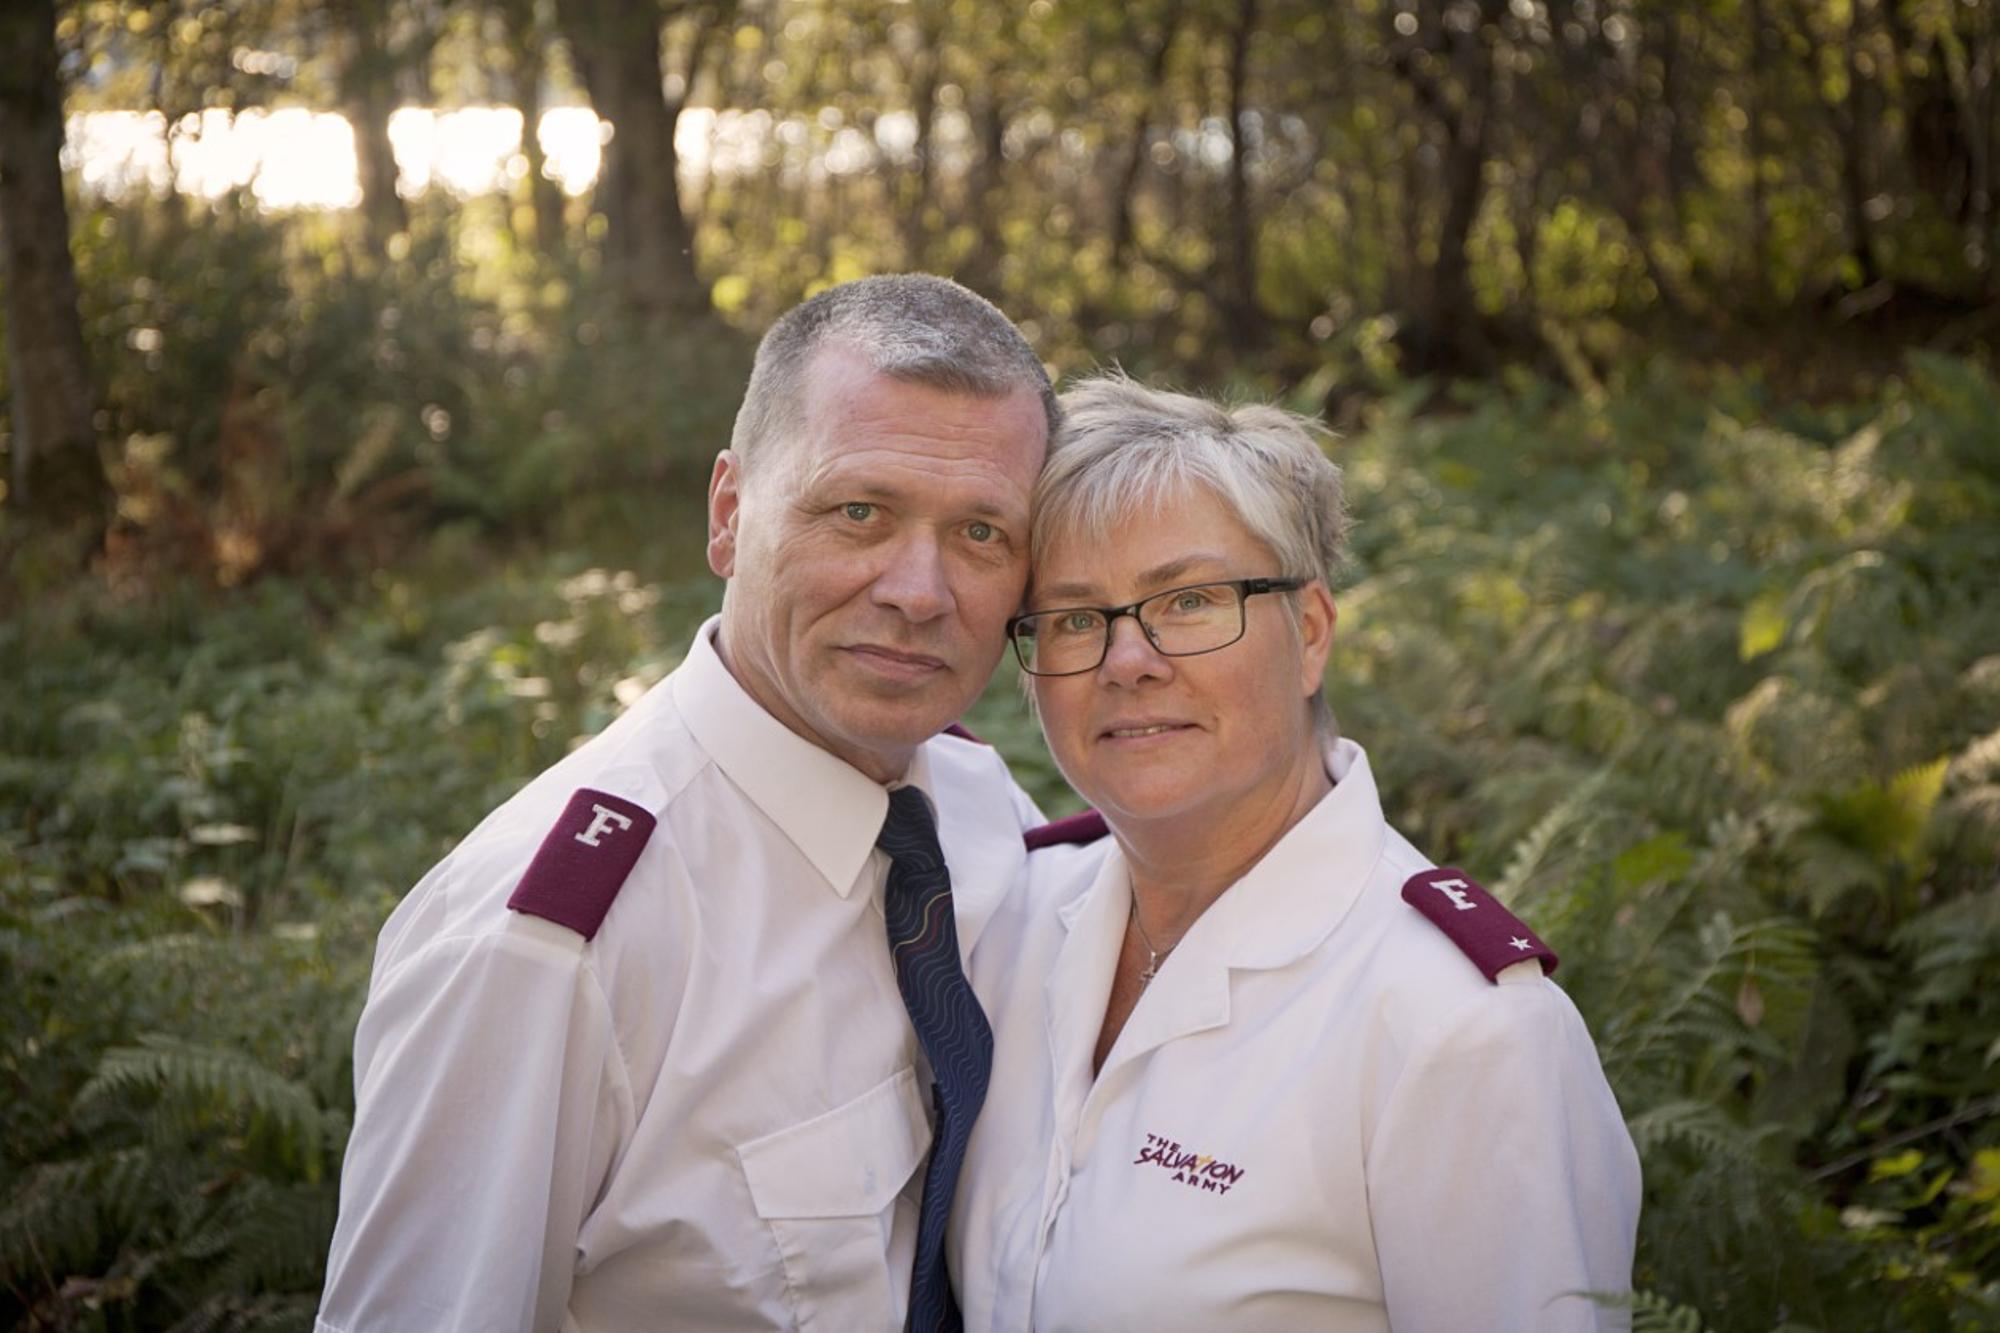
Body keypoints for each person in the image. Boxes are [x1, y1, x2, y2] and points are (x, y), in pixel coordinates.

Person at [317, 274, 1056, 1333]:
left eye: (982, 533)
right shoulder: (550, 946)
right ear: (728, 514)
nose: (918, 591)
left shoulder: (982, 809)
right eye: (858, 511)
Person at [951, 375, 1641, 1332]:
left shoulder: (1460, 1035)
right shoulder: (1009, 922)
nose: (1127, 659)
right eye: (1074, 617)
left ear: (1310, 632)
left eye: (1188, 599)